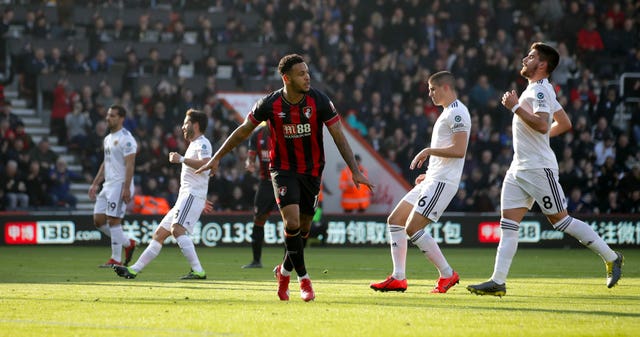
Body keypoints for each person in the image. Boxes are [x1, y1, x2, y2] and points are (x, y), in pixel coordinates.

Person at [195, 54, 373, 301]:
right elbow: (243, 131)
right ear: (286, 78)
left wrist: (354, 169)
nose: (307, 76)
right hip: (283, 170)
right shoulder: (269, 104)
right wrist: (217, 157)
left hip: (312, 171)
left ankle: (284, 270)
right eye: (301, 73)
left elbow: (338, 135)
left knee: (304, 229)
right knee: (291, 223)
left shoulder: (319, 100)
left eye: (307, 72)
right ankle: (304, 280)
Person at [467, 42, 624, 297]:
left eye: (530, 56)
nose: (524, 59)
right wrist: (542, 137)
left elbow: (542, 124)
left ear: (542, 65)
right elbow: (564, 122)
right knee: (508, 225)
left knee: (561, 221)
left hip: (539, 168)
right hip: (519, 168)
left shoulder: (540, 91)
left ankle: (611, 257)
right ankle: (498, 281)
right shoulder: (539, 90)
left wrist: (516, 107)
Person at [370, 71, 470, 294]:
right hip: (433, 178)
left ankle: (447, 274)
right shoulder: (447, 113)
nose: (430, 94)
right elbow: (449, 151)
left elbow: (459, 149)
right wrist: (430, 170)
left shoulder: (457, 113)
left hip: (443, 182)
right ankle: (398, 277)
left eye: (433, 89)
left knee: (413, 228)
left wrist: (427, 151)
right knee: (395, 220)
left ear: (445, 88)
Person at [114, 109, 213, 280]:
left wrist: (181, 159)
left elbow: (207, 165)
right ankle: (133, 270)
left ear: (195, 125)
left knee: (177, 229)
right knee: (159, 234)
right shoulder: (194, 145)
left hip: (191, 195)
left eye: (186, 123)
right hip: (187, 196)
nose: (183, 127)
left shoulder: (203, 144)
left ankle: (198, 270)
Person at [88, 105, 137, 268]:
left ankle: (116, 259)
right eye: (108, 115)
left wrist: (126, 188)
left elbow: (130, 164)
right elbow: (106, 162)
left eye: (113, 116)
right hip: (108, 184)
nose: (108, 118)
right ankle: (127, 243)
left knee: (114, 220)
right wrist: (95, 183)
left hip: (120, 184)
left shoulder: (126, 138)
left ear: (122, 118)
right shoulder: (108, 138)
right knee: (98, 220)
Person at [241, 123, 277, 269]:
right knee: (258, 219)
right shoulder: (257, 135)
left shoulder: (284, 131)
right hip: (266, 183)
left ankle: (292, 261)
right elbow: (251, 156)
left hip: (284, 180)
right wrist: (249, 163)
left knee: (292, 220)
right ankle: (256, 261)